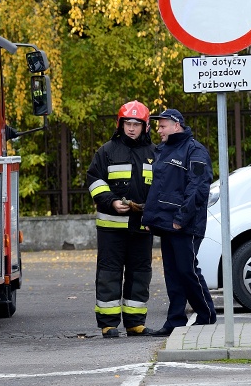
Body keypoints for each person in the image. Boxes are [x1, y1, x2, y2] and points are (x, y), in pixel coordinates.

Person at [142, 108, 217, 337]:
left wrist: (181, 219)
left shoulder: (195, 150)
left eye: (162, 126)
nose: (159, 130)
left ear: (176, 125)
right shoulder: (162, 150)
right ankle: (175, 321)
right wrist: (150, 218)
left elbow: (198, 188)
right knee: (173, 273)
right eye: (158, 126)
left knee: (187, 270)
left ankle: (206, 315)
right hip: (166, 224)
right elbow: (158, 188)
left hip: (186, 225)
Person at [86, 100, 157, 338]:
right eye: (128, 122)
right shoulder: (106, 151)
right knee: (109, 274)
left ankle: (135, 323)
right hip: (111, 227)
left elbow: (161, 187)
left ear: (145, 126)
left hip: (142, 224)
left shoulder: (155, 153)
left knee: (140, 273)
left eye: (137, 123)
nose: (132, 128)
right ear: (120, 124)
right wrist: (112, 202)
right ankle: (108, 324)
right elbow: (95, 181)